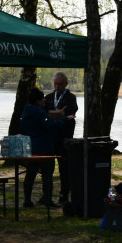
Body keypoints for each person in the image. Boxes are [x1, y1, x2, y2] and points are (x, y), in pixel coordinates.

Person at [20, 88, 74, 208]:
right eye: (43, 98)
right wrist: (65, 119)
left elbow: (24, 127)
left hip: (31, 148)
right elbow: (50, 126)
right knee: (47, 176)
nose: (45, 100)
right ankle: (48, 201)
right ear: (38, 100)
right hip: (44, 148)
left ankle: (27, 201)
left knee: (30, 175)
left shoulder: (25, 111)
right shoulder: (40, 112)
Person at [45, 72, 79, 202]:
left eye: (60, 84)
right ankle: (46, 195)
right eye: (55, 84)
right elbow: (43, 113)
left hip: (65, 138)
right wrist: (59, 113)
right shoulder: (48, 97)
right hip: (50, 137)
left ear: (66, 84)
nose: (57, 86)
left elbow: (69, 113)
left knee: (64, 168)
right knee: (47, 168)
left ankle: (64, 194)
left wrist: (54, 114)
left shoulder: (71, 98)